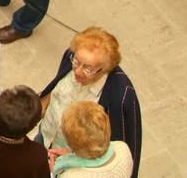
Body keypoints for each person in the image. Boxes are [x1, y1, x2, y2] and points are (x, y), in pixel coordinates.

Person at [39, 27, 141, 178]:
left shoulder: (121, 97)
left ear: (105, 69)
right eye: (77, 62)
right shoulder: (72, 57)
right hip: (46, 135)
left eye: (88, 69)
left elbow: (124, 147)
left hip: (76, 161)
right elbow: (55, 87)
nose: (78, 71)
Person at [49, 101, 134, 177]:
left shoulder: (71, 175)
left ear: (71, 144)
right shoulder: (122, 148)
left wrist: (54, 173)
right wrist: (72, 153)